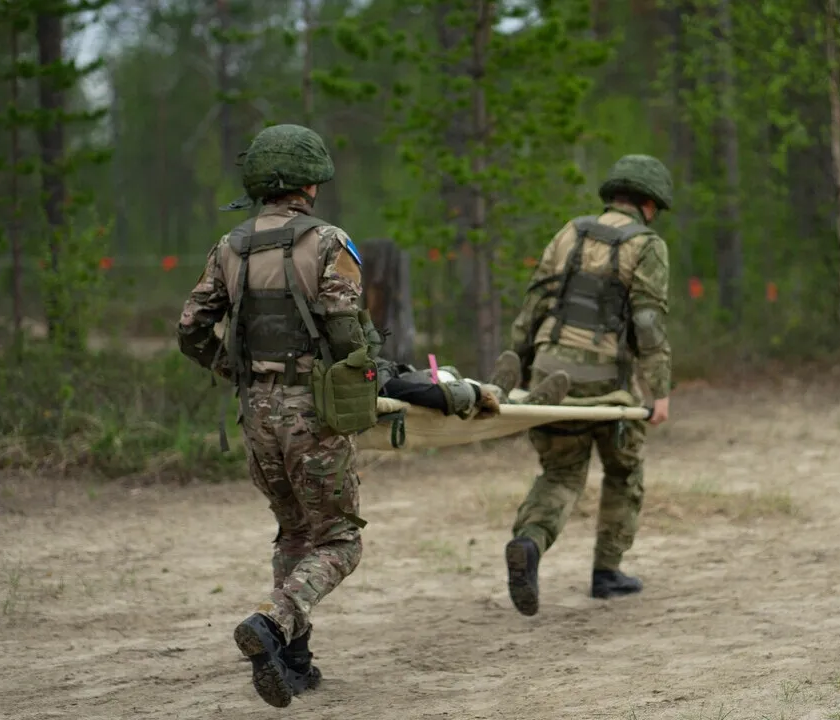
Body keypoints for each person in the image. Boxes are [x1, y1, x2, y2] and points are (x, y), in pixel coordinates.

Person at [175, 123, 499, 707]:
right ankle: (275, 622)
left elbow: (190, 329)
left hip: (256, 413)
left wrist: (236, 369)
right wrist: (388, 380)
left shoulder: (229, 247)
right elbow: (350, 338)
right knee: (342, 538)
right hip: (313, 411)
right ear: (309, 184)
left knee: (294, 530)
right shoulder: (328, 243)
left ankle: (293, 661)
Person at [489, 153, 673, 617]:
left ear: (613, 194)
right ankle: (607, 572)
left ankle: (529, 544)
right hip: (606, 385)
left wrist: (521, 370)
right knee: (624, 472)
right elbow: (648, 322)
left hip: (550, 373)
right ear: (648, 204)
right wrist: (660, 391)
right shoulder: (648, 244)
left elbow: (534, 304)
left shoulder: (570, 231)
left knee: (561, 474)